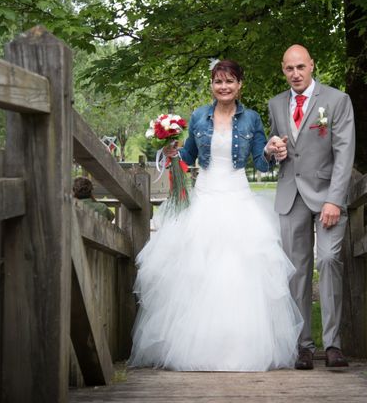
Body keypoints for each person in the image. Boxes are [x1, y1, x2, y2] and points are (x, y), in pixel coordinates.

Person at [128, 59, 302, 371]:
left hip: (238, 199)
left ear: (240, 85)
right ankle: (195, 351)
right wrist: (171, 151)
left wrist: (272, 150)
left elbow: (262, 163)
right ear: (212, 85)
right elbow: (189, 155)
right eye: (218, 81)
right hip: (204, 198)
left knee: (238, 273)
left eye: (230, 81)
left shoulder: (250, 119)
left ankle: (239, 349)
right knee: (197, 272)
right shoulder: (198, 116)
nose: (224, 87)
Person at [267, 44, 356, 370]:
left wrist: (335, 198)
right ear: (283, 69)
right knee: (296, 272)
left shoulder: (336, 101)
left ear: (312, 65)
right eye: (289, 68)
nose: (295, 74)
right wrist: (271, 148)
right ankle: (303, 346)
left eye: (301, 67)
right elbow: (275, 148)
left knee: (330, 260)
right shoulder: (275, 104)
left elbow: (344, 153)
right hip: (291, 197)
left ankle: (333, 344)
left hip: (326, 197)